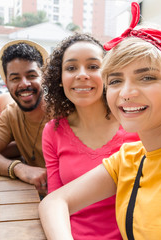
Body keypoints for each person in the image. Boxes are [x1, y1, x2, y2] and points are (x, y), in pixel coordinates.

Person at [39, 2, 161, 239]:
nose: (126, 92)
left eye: (147, 77)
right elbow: (55, 201)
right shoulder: (128, 160)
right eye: (116, 80)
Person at [42, 33, 139, 240]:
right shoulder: (53, 131)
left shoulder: (136, 124)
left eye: (93, 66)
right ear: (59, 79)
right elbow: (55, 201)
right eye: (71, 68)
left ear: (109, 75)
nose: (82, 74)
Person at [0, 40, 49, 195]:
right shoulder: (12, 113)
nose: (24, 84)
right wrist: (18, 168)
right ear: (6, 83)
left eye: (31, 75)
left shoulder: (63, 110)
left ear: (44, 77)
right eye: (15, 78)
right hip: (33, 197)